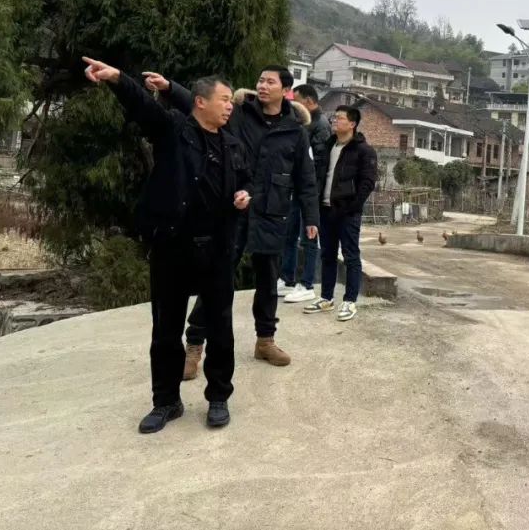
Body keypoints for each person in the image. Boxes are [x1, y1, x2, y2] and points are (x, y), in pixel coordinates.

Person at [82, 57, 251, 433]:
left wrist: (245, 194)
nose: (230, 106)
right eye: (224, 99)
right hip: (173, 246)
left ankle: (218, 397)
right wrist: (117, 78)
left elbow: (247, 179)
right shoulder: (174, 130)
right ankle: (166, 402)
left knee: (220, 329)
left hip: (218, 249)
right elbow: (143, 107)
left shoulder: (233, 144)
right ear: (201, 102)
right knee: (166, 330)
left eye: (231, 101)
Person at [144, 66, 318, 372]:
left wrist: (311, 217)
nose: (262, 85)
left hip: (272, 213)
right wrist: (169, 87)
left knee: (268, 282)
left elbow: (306, 178)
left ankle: (265, 341)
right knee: (216, 279)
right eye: (260, 80)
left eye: (270, 82)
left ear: (285, 90)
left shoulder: (296, 131)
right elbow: (201, 105)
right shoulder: (239, 114)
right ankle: (194, 346)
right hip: (231, 210)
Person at [303, 105, 378, 322]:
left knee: (350, 255)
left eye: (340, 118)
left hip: (347, 212)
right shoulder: (328, 146)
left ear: (352, 124)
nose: (335, 121)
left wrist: (352, 207)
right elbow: (319, 176)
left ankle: (350, 301)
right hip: (325, 209)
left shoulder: (363, 151)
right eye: (334, 117)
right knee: (327, 255)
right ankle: (326, 297)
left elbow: (367, 183)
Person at [282, 84, 332, 303]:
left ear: (309, 101)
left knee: (309, 238)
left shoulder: (320, 125)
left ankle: (307, 284)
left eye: (297, 101)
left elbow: (318, 165)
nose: (294, 105)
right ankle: (287, 279)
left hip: (309, 192)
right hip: (295, 188)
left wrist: (312, 195)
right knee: (289, 234)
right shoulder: (303, 123)